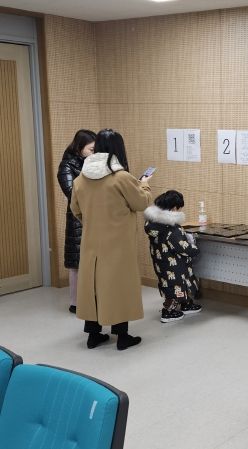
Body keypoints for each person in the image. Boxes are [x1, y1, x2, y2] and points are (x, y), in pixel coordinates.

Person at [70, 129, 152, 351]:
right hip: (119, 244)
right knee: (118, 286)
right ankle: (122, 336)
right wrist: (144, 184)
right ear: (118, 149)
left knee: (93, 286)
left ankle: (93, 334)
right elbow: (141, 203)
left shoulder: (81, 179)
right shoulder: (121, 178)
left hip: (91, 241)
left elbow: (76, 209)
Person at [144, 190, 202, 323]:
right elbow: (182, 247)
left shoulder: (153, 223)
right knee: (177, 285)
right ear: (174, 207)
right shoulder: (171, 228)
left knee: (170, 284)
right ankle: (168, 312)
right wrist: (195, 249)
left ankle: (186, 303)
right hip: (175, 264)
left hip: (161, 262)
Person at [57, 129, 96, 314]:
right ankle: (76, 303)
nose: (93, 154)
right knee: (77, 262)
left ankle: (92, 299)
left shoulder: (94, 163)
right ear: (79, 147)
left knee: (92, 261)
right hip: (77, 218)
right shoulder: (67, 165)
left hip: (95, 215)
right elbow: (72, 193)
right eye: (91, 150)